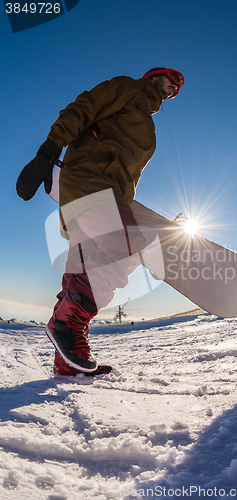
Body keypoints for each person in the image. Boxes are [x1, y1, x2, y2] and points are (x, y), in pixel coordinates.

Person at [16, 67, 185, 377]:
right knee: (127, 245)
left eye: (177, 88)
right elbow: (84, 107)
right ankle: (67, 322)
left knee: (79, 274)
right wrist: (48, 150)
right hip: (90, 182)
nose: (174, 87)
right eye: (171, 79)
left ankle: (67, 362)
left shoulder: (147, 122)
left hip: (106, 194)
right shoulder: (127, 89)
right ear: (153, 76)